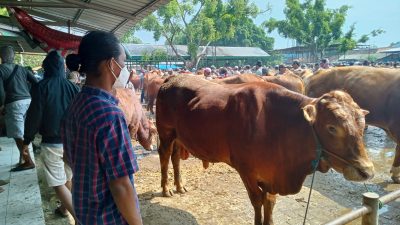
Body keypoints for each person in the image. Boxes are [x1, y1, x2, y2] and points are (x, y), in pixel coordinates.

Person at [61, 31, 143, 225]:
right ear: (111, 64)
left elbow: (68, 158)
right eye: (122, 64)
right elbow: (121, 185)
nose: (123, 70)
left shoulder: (76, 104)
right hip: (108, 218)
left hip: (84, 211)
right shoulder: (109, 115)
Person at [22, 51, 79, 219]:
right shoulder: (73, 87)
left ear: (46, 67)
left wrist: (27, 140)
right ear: (63, 68)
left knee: (57, 182)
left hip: (52, 142)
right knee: (68, 175)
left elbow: (34, 116)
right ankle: (64, 209)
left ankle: (79, 217)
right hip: (71, 142)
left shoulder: (41, 87)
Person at [0, 46, 38, 171]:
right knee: (23, 133)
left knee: (18, 135)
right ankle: (23, 159)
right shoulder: (21, 68)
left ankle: (28, 161)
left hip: (14, 104)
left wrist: (1, 105)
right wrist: (30, 94)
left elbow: (1, 92)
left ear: (1, 57)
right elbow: (35, 82)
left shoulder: (1, 69)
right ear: (13, 56)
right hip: (28, 101)